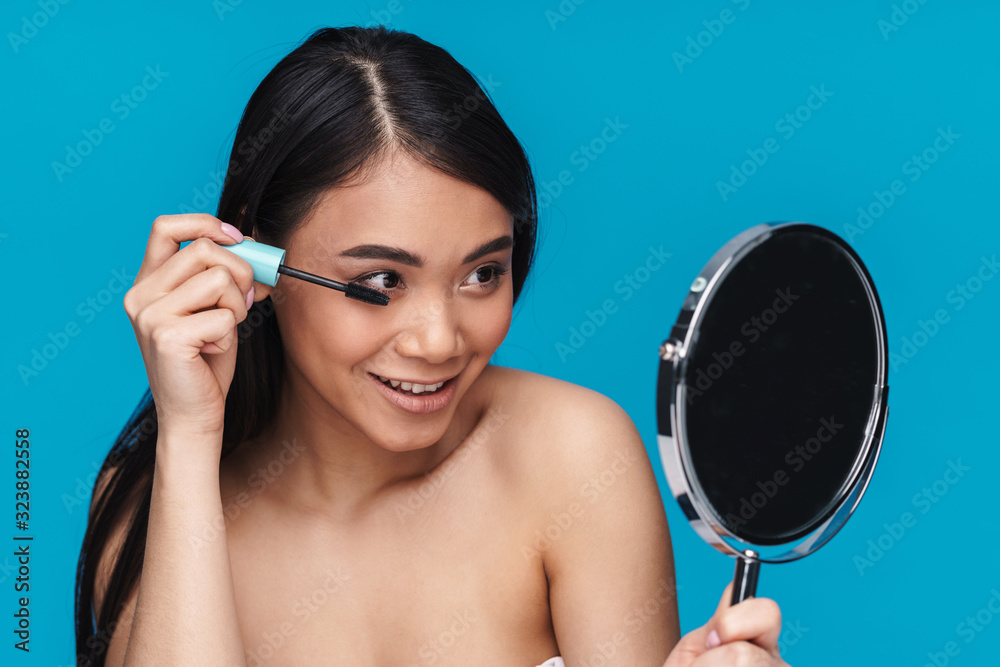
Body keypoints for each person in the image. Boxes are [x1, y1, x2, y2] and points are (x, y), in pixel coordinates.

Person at [75, 25, 790, 667]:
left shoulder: (571, 458)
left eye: (482, 273)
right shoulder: (157, 498)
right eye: (382, 279)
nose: (440, 340)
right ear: (258, 266)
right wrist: (191, 437)